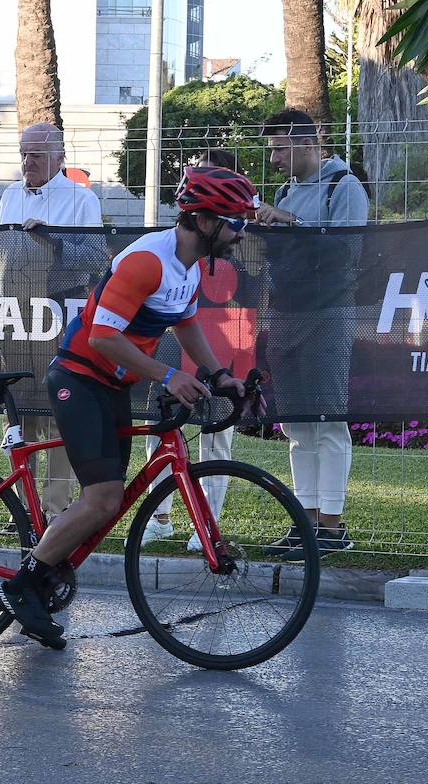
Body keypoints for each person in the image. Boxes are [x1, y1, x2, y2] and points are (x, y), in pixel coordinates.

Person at [0, 166, 256, 647]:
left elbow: (187, 323)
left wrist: (217, 375)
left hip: (113, 385)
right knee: (103, 498)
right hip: (79, 378)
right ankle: (22, 584)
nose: (241, 233)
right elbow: (103, 336)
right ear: (203, 219)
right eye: (234, 221)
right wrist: (170, 375)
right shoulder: (147, 261)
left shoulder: (189, 266)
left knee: (107, 501)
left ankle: (49, 570)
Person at [255, 109, 368, 558]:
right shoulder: (285, 191)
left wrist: (287, 222)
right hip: (286, 314)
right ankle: (307, 524)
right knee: (298, 427)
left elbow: (347, 250)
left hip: (328, 314)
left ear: (308, 142)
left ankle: (332, 529)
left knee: (329, 422)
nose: (275, 159)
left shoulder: (345, 186)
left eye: (280, 148)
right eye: (272, 149)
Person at [140, 148, 255, 551]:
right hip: (175, 337)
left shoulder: (234, 236)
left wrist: (222, 371)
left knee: (216, 433)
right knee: (161, 427)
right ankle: (161, 516)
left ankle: (207, 521)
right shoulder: (171, 248)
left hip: (225, 334)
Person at [0, 122, 104, 524]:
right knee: (18, 411)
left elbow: (95, 259)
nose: (28, 162)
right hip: (15, 317)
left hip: (58, 319)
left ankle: (57, 508)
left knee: (60, 409)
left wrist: (53, 241)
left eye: (37, 155)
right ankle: (21, 507)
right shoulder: (8, 195)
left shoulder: (80, 199)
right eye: (24, 153)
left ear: (59, 158)